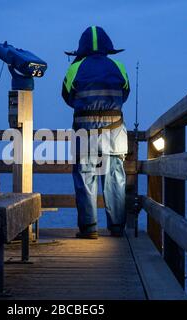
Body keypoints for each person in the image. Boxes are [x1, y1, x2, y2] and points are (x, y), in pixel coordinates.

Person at [62, 26, 130, 239]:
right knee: (115, 182)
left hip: (86, 137)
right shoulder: (118, 66)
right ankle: (117, 227)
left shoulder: (76, 68)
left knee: (85, 181)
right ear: (107, 47)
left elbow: (67, 97)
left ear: (81, 49)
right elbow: (125, 94)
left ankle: (89, 228)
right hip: (114, 136)